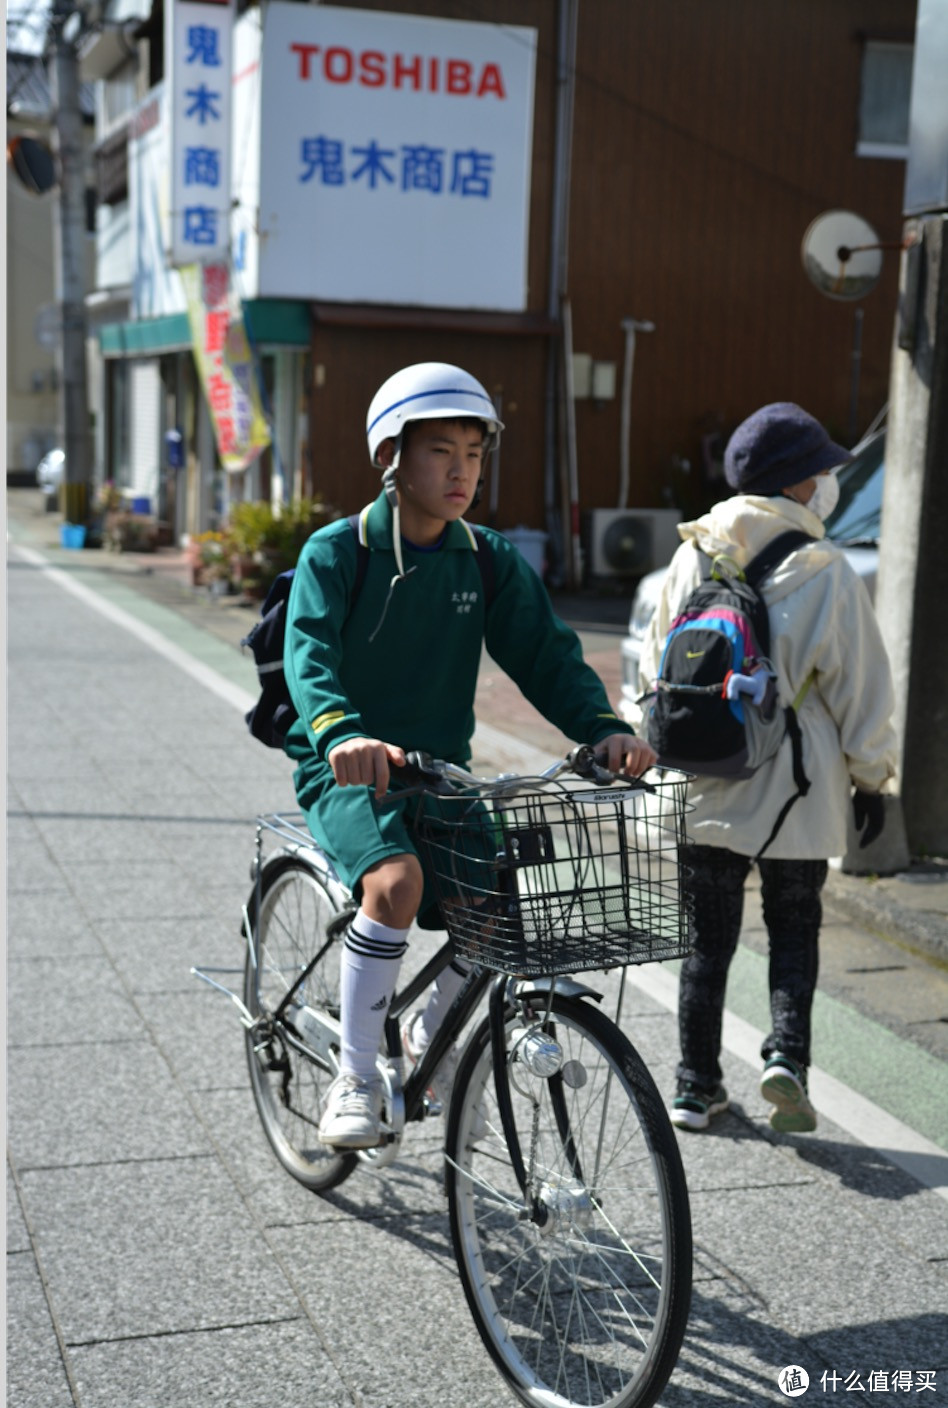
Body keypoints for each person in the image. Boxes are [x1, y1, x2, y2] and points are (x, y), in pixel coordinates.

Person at [282, 361, 656, 1149]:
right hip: (346, 766)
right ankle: (353, 1077)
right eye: (440, 452)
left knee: (501, 914)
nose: (461, 472)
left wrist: (602, 726)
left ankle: (423, 1033)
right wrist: (343, 732)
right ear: (391, 456)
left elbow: (547, 654)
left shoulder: (485, 559)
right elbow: (308, 655)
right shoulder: (336, 552)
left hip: (438, 769)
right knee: (395, 881)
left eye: (475, 455)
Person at [633, 402, 897, 1135]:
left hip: (702, 773)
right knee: (794, 926)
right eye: (824, 473)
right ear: (798, 485)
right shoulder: (827, 570)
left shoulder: (692, 554)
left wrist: (647, 750)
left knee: (706, 942)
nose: (831, 485)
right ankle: (786, 1057)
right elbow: (862, 690)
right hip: (796, 784)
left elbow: (654, 671)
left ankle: (694, 1086)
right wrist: (873, 779)